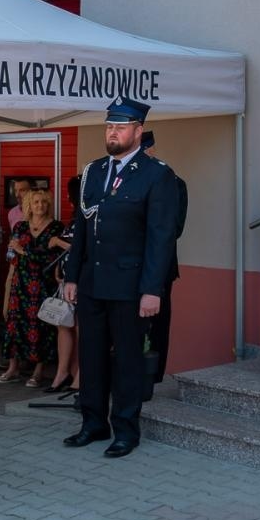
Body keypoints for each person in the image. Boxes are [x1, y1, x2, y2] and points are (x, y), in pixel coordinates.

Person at [62, 97, 179, 459]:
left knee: (127, 360)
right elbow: (82, 227)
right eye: (109, 127)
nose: (113, 133)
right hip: (93, 282)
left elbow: (161, 239)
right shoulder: (94, 171)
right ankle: (92, 422)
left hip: (130, 286)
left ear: (137, 131)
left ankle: (126, 429)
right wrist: (71, 276)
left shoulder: (157, 175)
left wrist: (151, 290)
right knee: (92, 355)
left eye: (121, 127)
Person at [0, 189, 63, 387]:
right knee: (14, 324)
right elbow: (12, 256)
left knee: (41, 325)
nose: (40, 206)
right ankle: (13, 367)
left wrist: (23, 250)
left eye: (43, 202)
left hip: (43, 284)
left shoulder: (56, 228)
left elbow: (49, 259)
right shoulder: (20, 226)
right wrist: (17, 254)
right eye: (36, 202)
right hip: (20, 283)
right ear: (29, 205)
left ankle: (38, 370)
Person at [140, 132, 189, 384]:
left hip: (158, 267)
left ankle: (152, 377)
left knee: (156, 325)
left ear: (151, 150)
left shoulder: (172, 181)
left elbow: (173, 229)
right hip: (126, 266)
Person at [46, 175, 84, 394]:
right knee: (64, 325)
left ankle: (80, 377)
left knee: (81, 328)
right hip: (66, 280)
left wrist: (59, 242)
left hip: (84, 281)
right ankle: (62, 373)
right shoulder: (74, 218)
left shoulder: (88, 216)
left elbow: (82, 247)